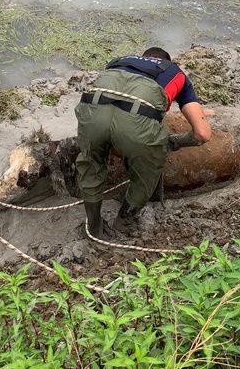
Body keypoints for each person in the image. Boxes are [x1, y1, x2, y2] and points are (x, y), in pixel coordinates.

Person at [75, 47, 212, 237]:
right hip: (135, 125)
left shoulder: (117, 62)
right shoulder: (177, 74)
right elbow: (202, 134)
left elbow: (115, 102)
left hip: (92, 114)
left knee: (90, 165)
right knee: (147, 173)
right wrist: (171, 142)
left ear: (142, 57)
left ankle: (94, 226)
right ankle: (124, 221)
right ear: (167, 62)